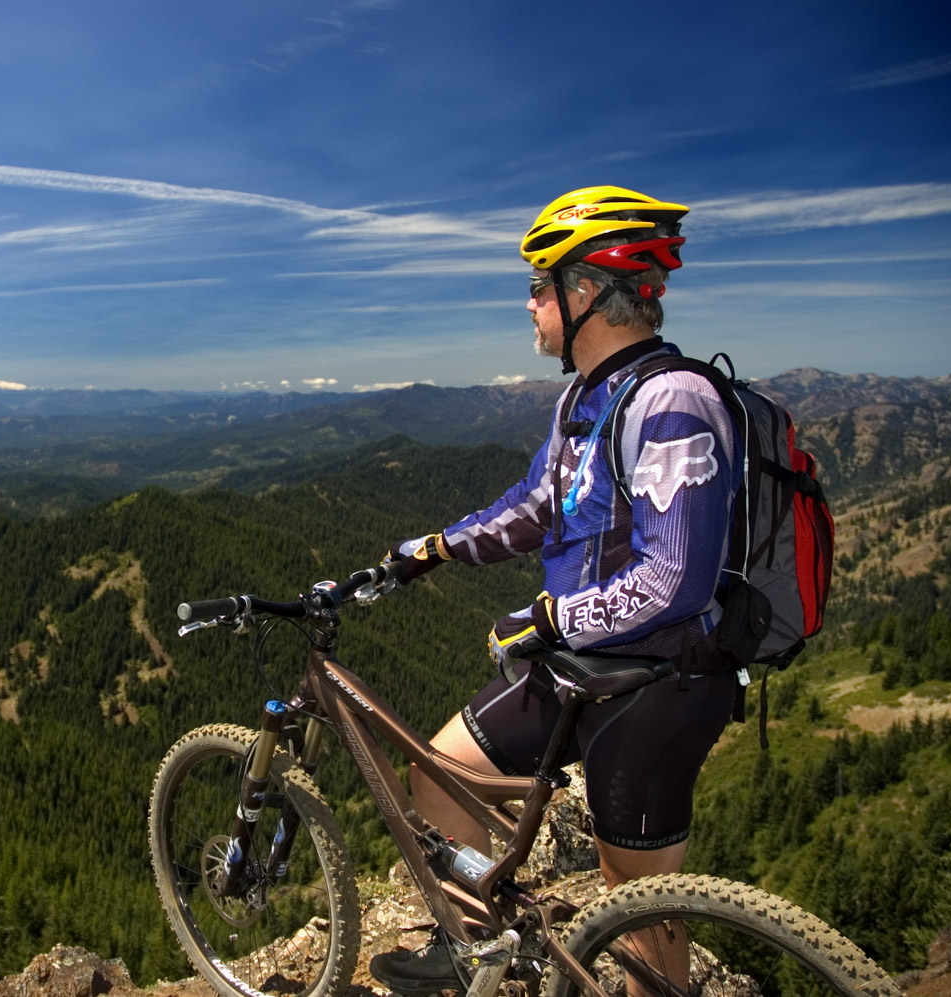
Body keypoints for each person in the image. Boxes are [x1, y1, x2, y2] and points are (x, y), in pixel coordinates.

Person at [369, 186, 740, 994]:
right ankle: (477, 945)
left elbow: (677, 577)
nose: (529, 303)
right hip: (578, 667)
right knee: (437, 775)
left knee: (639, 912)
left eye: (540, 285)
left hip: (658, 681)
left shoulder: (674, 401)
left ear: (584, 292)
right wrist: (435, 547)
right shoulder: (584, 399)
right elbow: (536, 506)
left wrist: (550, 616)